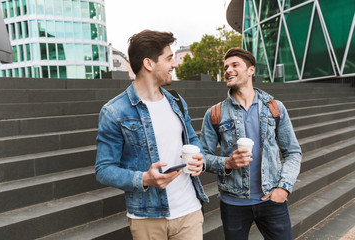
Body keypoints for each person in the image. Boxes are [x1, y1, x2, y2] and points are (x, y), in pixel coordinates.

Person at [95, 29, 209, 240]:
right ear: (149, 64)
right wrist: (144, 178)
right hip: (147, 218)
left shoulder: (176, 101)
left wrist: (198, 158)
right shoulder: (114, 111)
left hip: (189, 212)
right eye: (168, 59)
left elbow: (191, 139)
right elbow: (103, 169)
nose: (174, 64)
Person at [200, 47, 302, 240]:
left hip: (272, 200)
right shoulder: (215, 113)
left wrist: (283, 188)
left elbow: (293, 152)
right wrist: (227, 163)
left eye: (235, 65)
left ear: (251, 70)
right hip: (233, 203)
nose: (228, 70)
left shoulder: (274, 107)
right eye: (226, 67)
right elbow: (203, 157)